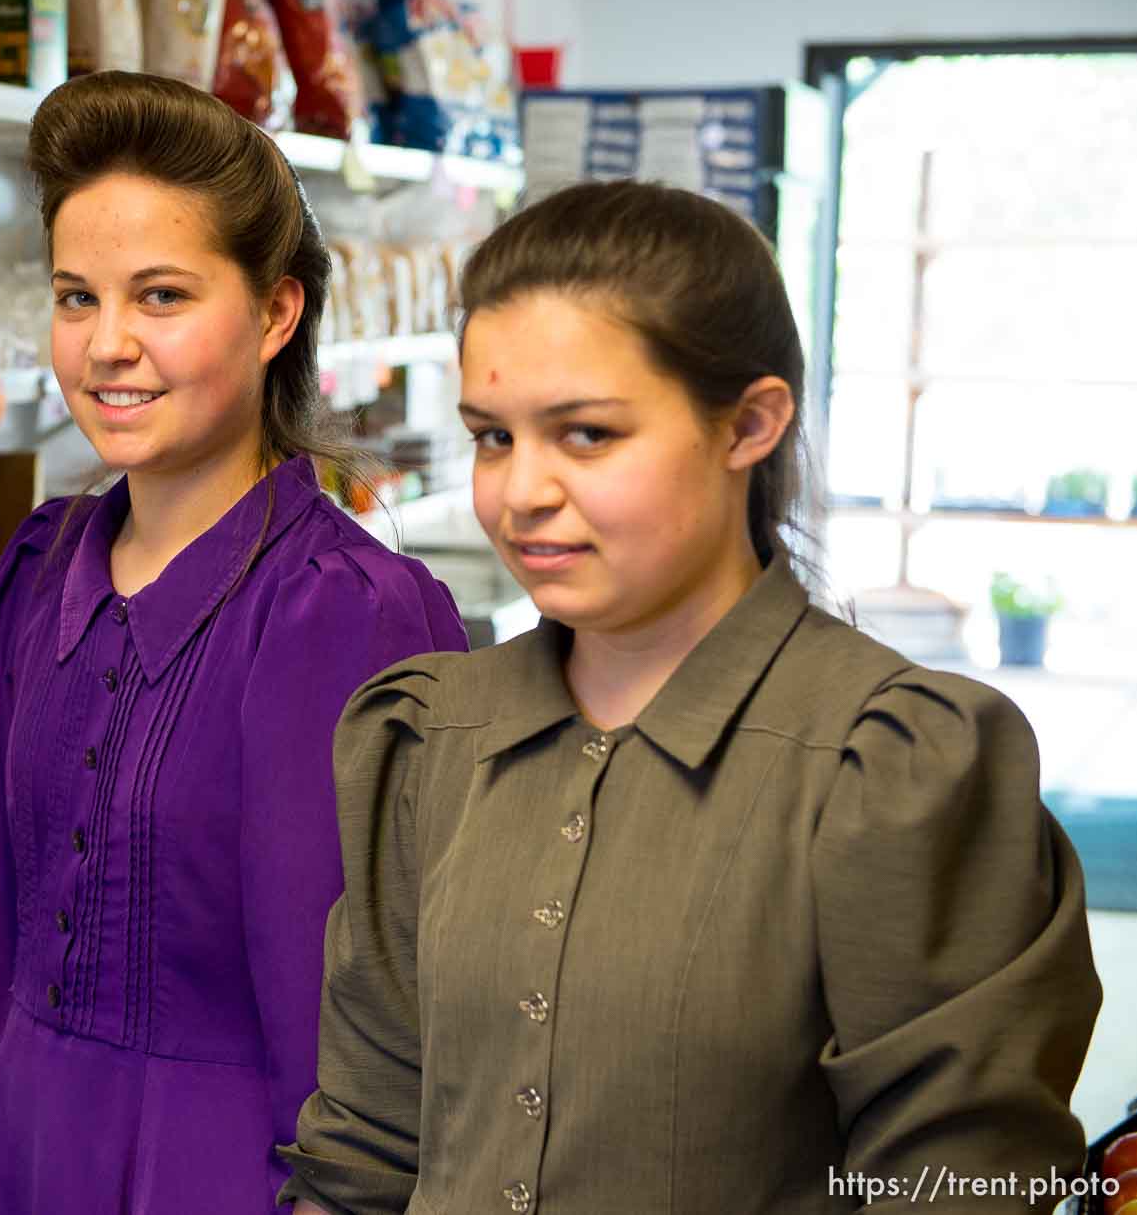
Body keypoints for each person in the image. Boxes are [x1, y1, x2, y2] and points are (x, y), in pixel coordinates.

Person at [282, 181, 1102, 1215]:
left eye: (584, 434)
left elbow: (963, 1182)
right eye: (494, 436)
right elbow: (364, 1147)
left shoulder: (894, 766)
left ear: (749, 425)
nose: (522, 490)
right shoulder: (430, 738)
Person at [0, 71, 469, 1215]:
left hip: (225, 1178)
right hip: (21, 1156)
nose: (107, 345)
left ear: (275, 313)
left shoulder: (348, 613)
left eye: (160, 296)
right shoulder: (35, 574)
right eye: (77, 298)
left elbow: (364, 1026)